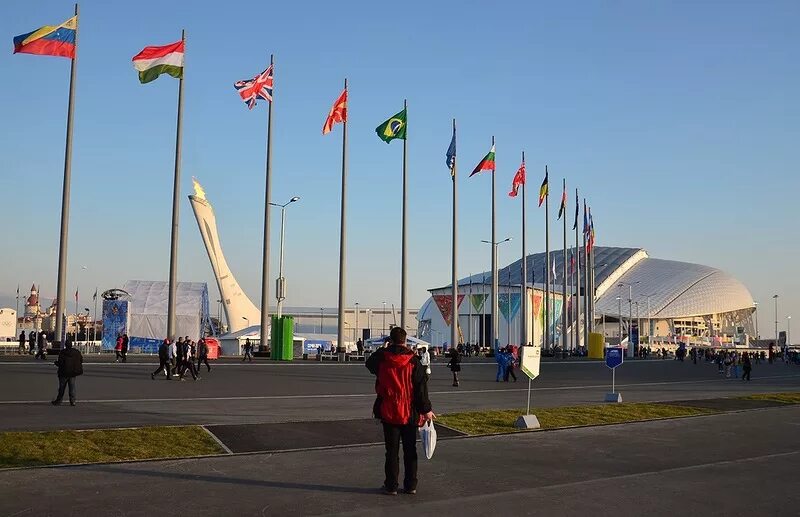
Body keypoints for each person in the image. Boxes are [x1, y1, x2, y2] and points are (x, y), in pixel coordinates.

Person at [366, 327, 434, 496]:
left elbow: (369, 363)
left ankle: (391, 486)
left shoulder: (382, 358)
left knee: (391, 451)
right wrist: (427, 410)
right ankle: (411, 485)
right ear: (405, 340)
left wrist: (383, 348)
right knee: (410, 450)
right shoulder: (413, 361)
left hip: (389, 410)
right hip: (409, 412)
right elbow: (421, 388)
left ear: (391, 340)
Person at [51, 339, 83, 406]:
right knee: (72, 387)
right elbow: (81, 360)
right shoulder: (76, 352)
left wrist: (55, 363)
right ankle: (73, 401)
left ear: (65, 345)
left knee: (62, 388)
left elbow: (60, 363)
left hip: (63, 373)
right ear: (71, 344)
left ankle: (59, 401)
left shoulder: (62, 352)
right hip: (73, 373)